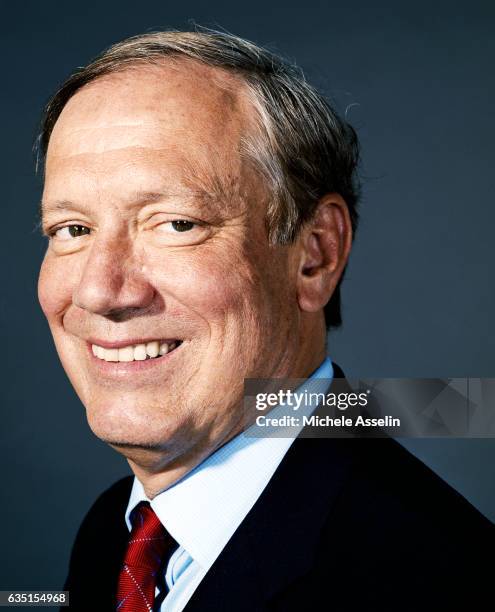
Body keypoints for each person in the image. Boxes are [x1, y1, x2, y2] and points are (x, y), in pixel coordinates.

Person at [37, 29, 492, 611]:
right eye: (72, 230)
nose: (101, 290)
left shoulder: (436, 582)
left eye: (176, 224)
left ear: (314, 256)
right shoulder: (115, 535)